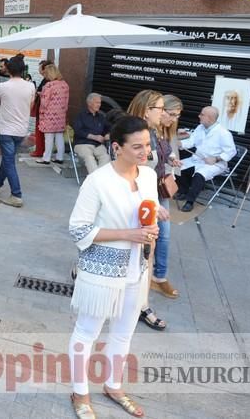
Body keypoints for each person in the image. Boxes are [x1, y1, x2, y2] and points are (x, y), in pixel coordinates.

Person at [68, 115, 168, 419]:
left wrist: (154, 219)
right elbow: (78, 229)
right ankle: (79, 392)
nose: (144, 152)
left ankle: (113, 386)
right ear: (116, 147)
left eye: (147, 145)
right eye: (136, 146)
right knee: (87, 332)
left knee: (124, 333)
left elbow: (144, 212)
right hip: (101, 270)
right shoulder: (98, 181)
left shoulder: (149, 176)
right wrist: (129, 234)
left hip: (137, 268)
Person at [126, 89, 168, 332]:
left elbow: (151, 172)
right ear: (145, 109)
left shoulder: (154, 132)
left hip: (147, 205)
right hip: (132, 204)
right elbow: (128, 173)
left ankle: (143, 305)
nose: (163, 113)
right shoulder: (133, 133)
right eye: (160, 108)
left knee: (147, 253)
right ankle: (82, 268)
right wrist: (151, 202)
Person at [0, 55, 35, 208]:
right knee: (7, 159)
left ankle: (16, 194)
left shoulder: (2, 87)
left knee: (9, 161)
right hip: (21, 129)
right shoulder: (30, 86)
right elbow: (31, 105)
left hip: (6, 128)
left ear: (8, 69)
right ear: (23, 70)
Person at [151, 94, 184, 300]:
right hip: (147, 189)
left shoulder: (163, 129)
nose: (173, 119)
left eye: (177, 116)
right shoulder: (147, 130)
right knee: (151, 234)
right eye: (171, 114)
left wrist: (172, 159)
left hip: (160, 185)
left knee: (164, 233)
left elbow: (167, 149)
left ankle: (159, 276)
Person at [177, 106, 237, 212]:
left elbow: (231, 151)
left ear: (209, 118)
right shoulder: (200, 127)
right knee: (177, 166)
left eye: (202, 114)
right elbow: (192, 141)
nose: (199, 116)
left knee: (199, 175)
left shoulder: (224, 133)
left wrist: (216, 158)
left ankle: (190, 201)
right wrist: (180, 144)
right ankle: (184, 191)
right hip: (198, 159)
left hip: (215, 164)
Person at [36, 63, 69, 165]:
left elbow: (45, 103)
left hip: (49, 115)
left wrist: (41, 97)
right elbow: (66, 101)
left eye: (46, 74)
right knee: (59, 136)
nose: (45, 76)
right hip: (61, 115)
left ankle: (46, 158)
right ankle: (60, 157)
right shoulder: (65, 84)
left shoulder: (49, 85)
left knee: (49, 137)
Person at [72, 93, 110, 175]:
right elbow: (78, 131)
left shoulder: (101, 117)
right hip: (82, 144)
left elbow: (108, 129)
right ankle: (95, 180)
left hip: (97, 145)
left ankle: (94, 179)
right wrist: (94, 137)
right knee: (89, 158)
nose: (99, 105)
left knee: (106, 157)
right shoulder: (81, 115)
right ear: (89, 103)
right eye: (97, 102)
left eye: (99, 103)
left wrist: (108, 134)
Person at [30, 60, 52, 158]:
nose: (39, 70)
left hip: (44, 109)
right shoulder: (48, 80)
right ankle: (40, 151)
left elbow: (44, 94)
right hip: (46, 110)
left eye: (40, 68)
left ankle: (39, 151)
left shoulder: (48, 81)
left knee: (41, 132)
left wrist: (38, 93)